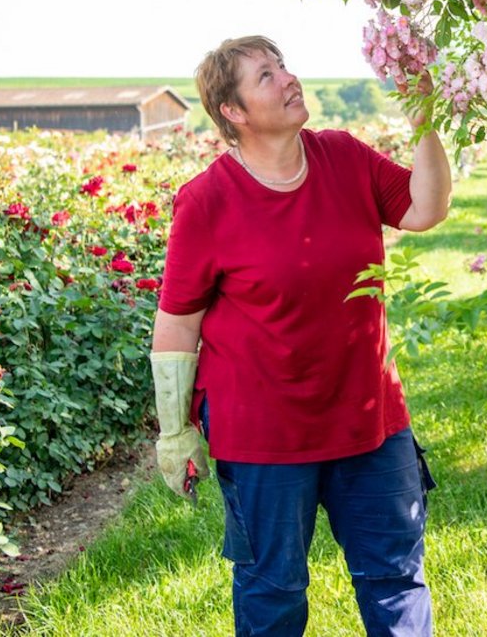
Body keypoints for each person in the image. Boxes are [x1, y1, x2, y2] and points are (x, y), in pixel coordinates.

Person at [150, 35, 451, 637]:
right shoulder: (208, 201)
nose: (289, 79)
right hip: (263, 437)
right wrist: (175, 428)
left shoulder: (344, 156)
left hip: (369, 420)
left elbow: (426, 209)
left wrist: (426, 125)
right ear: (233, 112)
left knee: (395, 577)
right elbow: (178, 321)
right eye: (266, 76)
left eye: (283, 66)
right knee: (274, 594)